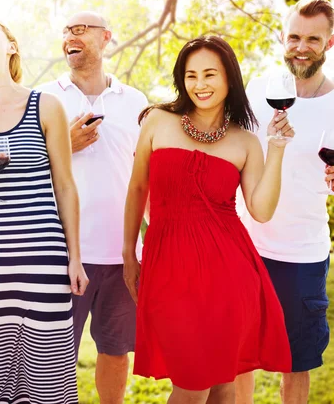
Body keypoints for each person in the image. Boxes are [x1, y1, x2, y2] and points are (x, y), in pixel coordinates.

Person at [123, 35, 293, 403]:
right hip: (169, 268)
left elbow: (261, 210)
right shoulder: (157, 121)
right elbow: (137, 189)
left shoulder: (245, 142)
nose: (200, 85)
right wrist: (128, 256)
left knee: (223, 384)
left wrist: (276, 149)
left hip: (230, 275)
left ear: (229, 78)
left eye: (210, 74)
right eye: (191, 75)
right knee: (190, 386)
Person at [0, 16, 88, 404]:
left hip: (45, 257)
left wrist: (75, 257)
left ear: (9, 46)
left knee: (50, 372)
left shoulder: (46, 105)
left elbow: (66, 185)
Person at [38, 11, 148, 403]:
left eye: (81, 29)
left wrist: (144, 246)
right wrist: (63, 144)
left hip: (122, 255)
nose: (71, 35)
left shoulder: (135, 102)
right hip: (62, 253)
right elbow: (22, 168)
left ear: (107, 38)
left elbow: (145, 176)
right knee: (51, 355)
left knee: (116, 350)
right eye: (66, 30)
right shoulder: (44, 98)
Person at [236, 0, 334, 404]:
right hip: (243, 244)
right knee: (237, 358)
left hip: (301, 252)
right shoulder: (257, 89)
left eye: (312, 38)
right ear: (282, 37)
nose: (301, 46)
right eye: (294, 36)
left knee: (296, 363)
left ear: (329, 42)